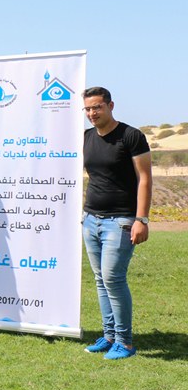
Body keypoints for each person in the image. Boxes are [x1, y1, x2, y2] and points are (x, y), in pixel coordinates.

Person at [81, 86, 151, 359]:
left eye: (97, 107)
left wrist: (141, 219)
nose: (92, 113)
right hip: (90, 219)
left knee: (113, 278)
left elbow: (144, 179)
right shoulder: (86, 137)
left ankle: (125, 342)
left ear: (110, 106)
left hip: (121, 221)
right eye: (88, 108)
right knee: (101, 280)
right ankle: (110, 336)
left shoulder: (131, 136)